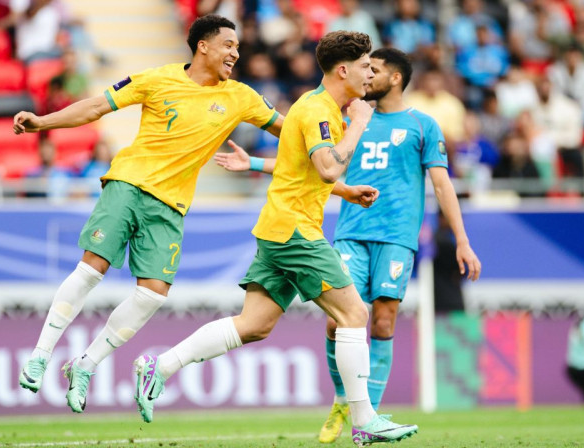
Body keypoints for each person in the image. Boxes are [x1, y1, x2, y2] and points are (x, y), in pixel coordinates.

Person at [133, 31, 419, 445]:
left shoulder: (317, 108)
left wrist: (345, 192)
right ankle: (365, 420)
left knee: (253, 325)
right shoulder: (321, 110)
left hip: (277, 229)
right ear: (343, 70)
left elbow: (296, 170)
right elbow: (327, 167)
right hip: (295, 233)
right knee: (354, 315)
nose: (370, 73)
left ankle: (159, 367)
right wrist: (359, 124)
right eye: (364, 66)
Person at [12, 15, 285, 414]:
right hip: (129, 183)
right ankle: (40, 354)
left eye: (238, 47)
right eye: (228, 44)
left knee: (152, 294)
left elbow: (290, 130)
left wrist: (330, 130)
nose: (236, 53)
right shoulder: (156, 79)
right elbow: (94, 107)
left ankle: (84, 365)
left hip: (171, 205)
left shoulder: (240, 96)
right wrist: (42, 122)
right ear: (203, 46)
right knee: (93, 266)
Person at [215, 47, 482, 443]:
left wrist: (462, 240)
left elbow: (442, 184)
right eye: (364, 68)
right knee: (339, 318)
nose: (367, 76)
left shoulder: (422, 125)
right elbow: (307, 164)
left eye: (375, 70)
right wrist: (254, 163)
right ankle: (346, 400)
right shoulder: (347, 120)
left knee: (384, 320)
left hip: (397, 237)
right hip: (351, 232)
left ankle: (366, 416)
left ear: (395, 78)